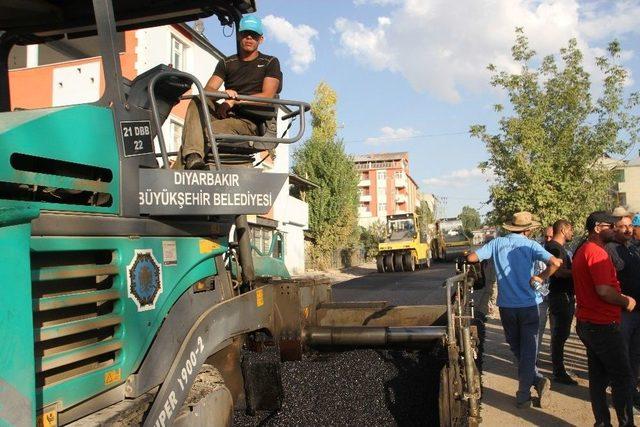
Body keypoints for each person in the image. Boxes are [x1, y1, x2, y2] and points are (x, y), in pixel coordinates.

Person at [467, 211, 562, 409]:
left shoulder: (496, 243)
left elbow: (472, 257)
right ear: (528, 230)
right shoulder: (531, 245)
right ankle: (529, 388)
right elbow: (555, 262)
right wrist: (541, 277)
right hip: (529, 306)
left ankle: (526, 390)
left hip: (507, 307)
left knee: (517, 348)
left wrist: (469, 257)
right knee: (527, 351)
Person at [180, 15, 282, 170]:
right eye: (245, 33)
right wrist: (223, 93)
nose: (249, 37)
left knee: (207, 131)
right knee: (198, 99)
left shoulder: (270, 62)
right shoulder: (226, 63)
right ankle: (193, 158)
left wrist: (233, 101)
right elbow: (207, 90)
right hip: (225, 116)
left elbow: (267, 97)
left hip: (249, 122)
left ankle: (179, 172)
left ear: (260, 39)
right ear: (239, 35)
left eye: (253, 35)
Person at [573, 211, 636, 427]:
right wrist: (625, 301)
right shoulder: (596, 253)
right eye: (613, 226)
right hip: (601, 325)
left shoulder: (584, 250)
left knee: (598, 378)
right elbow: (603, 290)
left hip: (589, 322)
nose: (617, 229)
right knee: (623, 378)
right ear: (599, 228)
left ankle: (602, 422)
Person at [605, 213, 640, 408]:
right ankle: (624, 397)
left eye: (629, 225)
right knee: (623, 356)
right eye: (622, 226)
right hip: (622, 312)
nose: (627, 229)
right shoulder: (609, 249)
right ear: (614, 228)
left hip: (637, 312)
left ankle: (631, 393)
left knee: (635, 355)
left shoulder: (633, 248)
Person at [544, 219, 578, 385]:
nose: (572, 232)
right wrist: (578, 271)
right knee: (559, 335)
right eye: (570, 229)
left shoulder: (559, 248)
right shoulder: (555, 248)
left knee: (560, 335)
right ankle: (559, 372)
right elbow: (557, 272)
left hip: (564, 296)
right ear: (563, 229)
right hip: (560, 296)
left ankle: (560, 369)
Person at [536, 226, 554, 351]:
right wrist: (544, 291)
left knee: (556, 329)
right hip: (540, 297)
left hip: (557, 297)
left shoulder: (565, 253)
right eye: (546, 236)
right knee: (539, 327)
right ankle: (534, 357)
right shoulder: (537, 253)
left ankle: (556, 358)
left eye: (551, 237)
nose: (548, 239)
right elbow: (533, 277)